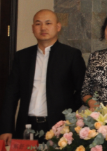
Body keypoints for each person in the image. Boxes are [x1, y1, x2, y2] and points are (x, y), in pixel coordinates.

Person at [0, 10, 86, 143]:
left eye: (48, 23)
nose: (43, 28)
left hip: (59, 126)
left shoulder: (71, 55)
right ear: (33, 28)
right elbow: (11, 94)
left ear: (58, 27)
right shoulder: (22, 57)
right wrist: (6, 128)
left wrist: (68, 112)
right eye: (38, 24)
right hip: (26, 125)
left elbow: (83, 89)